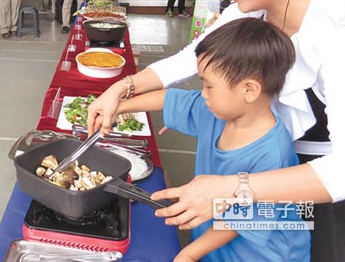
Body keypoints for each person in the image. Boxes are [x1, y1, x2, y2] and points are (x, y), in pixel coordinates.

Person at [86, 0, 345, 261]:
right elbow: (187, 60)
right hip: (254, 182)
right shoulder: (254, 7)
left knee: (299, 248)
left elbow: (343, 172)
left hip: (319, 188)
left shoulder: (338, 28)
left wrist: (230, 191)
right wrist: (120, 87)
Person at [117, 19, 309, 262]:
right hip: (214, 244)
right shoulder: (218, 111)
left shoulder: (274, 154)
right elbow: (171, 99)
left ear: (248, 90)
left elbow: (238, 221)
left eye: (209, 86)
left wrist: (188, 254)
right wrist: (118, 106)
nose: (203, 94)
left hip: (261, 255)